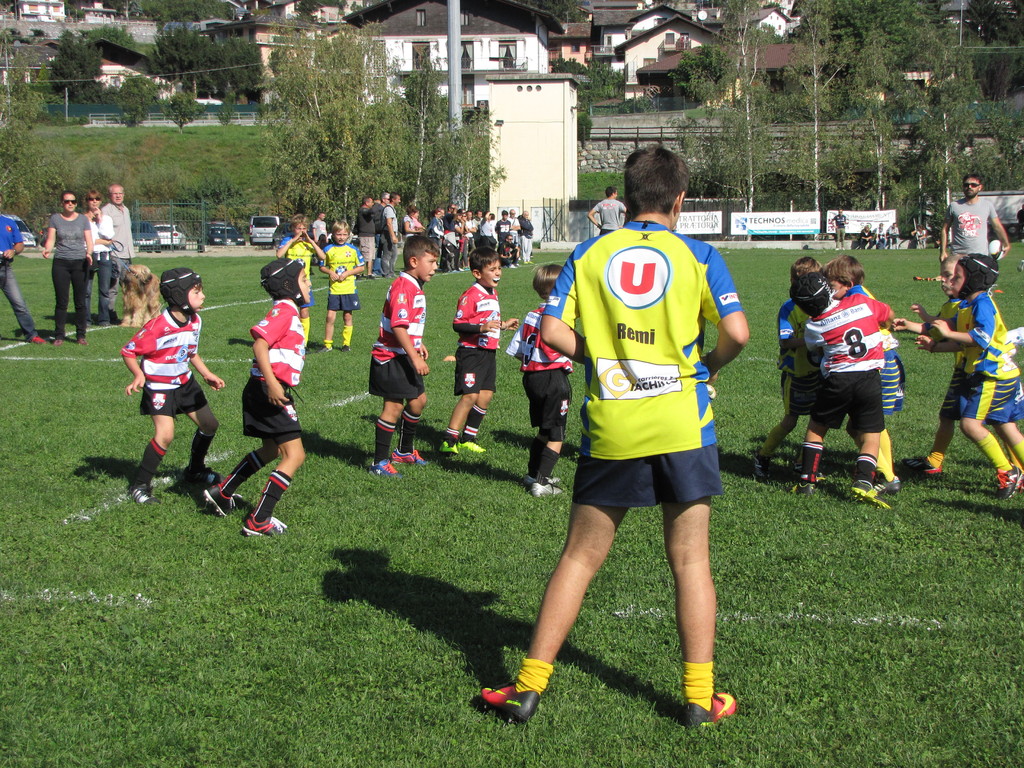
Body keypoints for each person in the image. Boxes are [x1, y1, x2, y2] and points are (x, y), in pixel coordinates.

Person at [480, 145, 748, 728]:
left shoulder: (588, 252)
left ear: (624, 200)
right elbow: (738, 332)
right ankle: (699, 699)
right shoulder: (700, 254)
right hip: (683, 422)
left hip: (613, 424)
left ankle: (528, 688)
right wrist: (706, 366)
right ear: (680, 200)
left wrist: (601, 357)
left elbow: (552, 330)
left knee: (579, 558)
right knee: (690, 561)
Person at [203, 259, 311, 535]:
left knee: (271, 450)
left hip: (261, 387)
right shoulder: (284, 311)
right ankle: (259, 519)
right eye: (304, 279)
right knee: (295, 455)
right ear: (288, 285)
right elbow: (260, 344)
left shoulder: (288, 310)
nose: (309, 283)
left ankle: (222, 493)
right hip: (268, 389)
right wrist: (273, 384)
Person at [894, 257, 1021, 484]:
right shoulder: (967, 305)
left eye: (956, 277)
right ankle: (1011, 471)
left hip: (992, 374)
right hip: (982, 372)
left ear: (973, 279)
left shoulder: (982, 304)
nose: (949, 281)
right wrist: (919, 332)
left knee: (976, 425)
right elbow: (948, 329)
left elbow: (981, 338)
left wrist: (946, 335)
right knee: (1001, 423)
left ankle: (1009, 472)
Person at [789, 271, 893, 508]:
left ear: (803, 308)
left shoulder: (814, 324)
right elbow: (888, 314)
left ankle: (807, 481)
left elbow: (815, 348)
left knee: (816, 429)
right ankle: (864, 482)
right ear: (830, 290)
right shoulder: (861, 302)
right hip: (869, 377)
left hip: (837, 380)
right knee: (871, 435)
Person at [121, 268, 225, 505]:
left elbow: (191, 351)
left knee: (209, 424)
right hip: (159, 387)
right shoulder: (157, 327)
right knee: (165, 435)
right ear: (179, 295)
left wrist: (207, 374)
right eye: (196, 292)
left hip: (185, 383)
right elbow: (128, 351)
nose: (203, 296)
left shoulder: (195, 320)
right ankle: (140, 486)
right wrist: (138, 374)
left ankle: (195, 471)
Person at [824, 255, 903, 495]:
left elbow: (887, 315)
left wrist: (882, 332)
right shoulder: (854, 294)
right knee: (856, 427)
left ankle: (888, 475)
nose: (828, 290)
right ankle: (882, 471)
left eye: (830, 285)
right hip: (871, 361)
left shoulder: (859, 297)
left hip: (878, 362)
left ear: (845, 282)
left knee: (873, 426)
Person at [368, 235, 439, 477]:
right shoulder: (403, 287)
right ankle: (379, 462)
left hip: (405, 353)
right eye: (431, 262)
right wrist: (415, 357)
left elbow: (407, 324)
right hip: (391, 356)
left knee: (418, 401)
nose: (435, 267)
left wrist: (418, 343)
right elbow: (398, 326)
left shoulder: (413, 286)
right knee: (393, 407)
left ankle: (404, 451)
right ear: (413, 261)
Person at [440, 247, 520, 456]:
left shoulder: (492, 292)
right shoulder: (471, 295)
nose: (498, 273)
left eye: (499, 268)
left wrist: (503, 325)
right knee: (470, 396)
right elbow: (458, 324)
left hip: (488, 352)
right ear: (477, 273)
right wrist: (481, 328)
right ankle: (449, 439)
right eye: (492, 269)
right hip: (471, 353)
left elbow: (488, 320)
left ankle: (468, 438)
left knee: (485, 396)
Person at [753, 257, 823, 480]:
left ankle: (803, 462)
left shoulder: (824, 303)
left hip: (820, 372)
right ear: (793, 281)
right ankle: (763, 456)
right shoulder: (789, 308)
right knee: (790, 421)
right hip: (796, 374)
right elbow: (785, 341)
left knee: (818, 422)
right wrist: (812, 341)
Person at [505, 263, 572, 496]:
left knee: (544, 429)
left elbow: (516, 350)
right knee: (557, 434)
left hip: (531, 378)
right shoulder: (558, 317)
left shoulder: (530, 315)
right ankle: (542, 483)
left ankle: (534, 474)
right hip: (553, 377)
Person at [42, 190, 94, 346]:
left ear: (76, 203)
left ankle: (81, 335)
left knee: (80, 301)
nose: (70, 204)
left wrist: (89, 253)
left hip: (80, 263)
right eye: (67, 201)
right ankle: (59, 335)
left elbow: (89, 240)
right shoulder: (55, 219)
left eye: (73, 201)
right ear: (62, 203)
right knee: (61, 301)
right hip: (61, 263)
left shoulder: (83, 219)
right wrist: (47, 249)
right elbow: (51, 239)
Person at [0, 195, 46, 345]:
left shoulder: (9, 222)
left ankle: (31, 334)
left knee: (19, 303)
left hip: (5, 268)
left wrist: (13, 251)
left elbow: (19, 244)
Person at [276, 213, 327, 342]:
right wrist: (293, 241)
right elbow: (279, 255)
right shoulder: (288, 240)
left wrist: (311, 241)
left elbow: (322, 256)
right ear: (293, 229)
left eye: (304, 228)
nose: (301, 231)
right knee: (289, 311)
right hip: (289, 282)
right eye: (298, 228)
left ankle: (303, 341)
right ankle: (288, 338)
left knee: (304, 311)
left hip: (304, 282)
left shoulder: (308, 243)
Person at [941, 174, 1010, 264]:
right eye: (966, 185)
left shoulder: (987, 205)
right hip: (958, 256)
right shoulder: (954, 206)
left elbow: (997, 226)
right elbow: (944, 229)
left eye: (973, 185)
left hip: (981, 256)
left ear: (980, 187)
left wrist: (1006, 244)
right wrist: (943, 251)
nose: (969, 187)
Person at [318, 221, 364, 352]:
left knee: (347, 316)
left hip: (349, 289)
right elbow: (321, 266)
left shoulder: (353, 250)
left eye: (344, 234)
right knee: (330, 317)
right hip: (334, 289)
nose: (341, 237)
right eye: (338, 234)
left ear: (348, 235)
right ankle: (327, 345)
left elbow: (361, 267)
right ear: (333, 234)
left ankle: (346, 344)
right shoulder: (328, 249)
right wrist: (330, 272)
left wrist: (348, 273)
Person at [101, 183, 135, 324]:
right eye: (115, 193)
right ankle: (109, 314)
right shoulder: (106, 211)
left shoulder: (126, 210)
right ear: (110, 195)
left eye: (120, 193)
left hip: (127, 254)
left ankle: (130, 314)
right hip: (114, 254)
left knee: (129, 287)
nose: (118, 196)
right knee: (112, 287)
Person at [83, 189, 117, 326]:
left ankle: (104, 318)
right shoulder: (82, 219)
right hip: (89, 255)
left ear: (101, 201)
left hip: (104, 256)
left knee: (104, 290)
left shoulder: (106, 219)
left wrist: (99, 219)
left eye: (97, 199)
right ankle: (85, 319)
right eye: (91, 199)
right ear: (87, 202)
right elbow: (85, 240)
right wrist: (102, 241)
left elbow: (109, 236)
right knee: (86, 291)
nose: (94, 202)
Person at [356, 196, 377, 279]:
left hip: (370, 236)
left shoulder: (367, 211)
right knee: (364, 255)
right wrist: (377, 205)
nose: (372, 204)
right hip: (365, 236)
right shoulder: (362, 210)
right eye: (371, 202)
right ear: (366, 203)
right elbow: (369, 212)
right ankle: (358, 273)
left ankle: (369, 273)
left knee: (370, 255)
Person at [379, 193, 400, 279]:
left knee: (394, 254)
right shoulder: (388, 209)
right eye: (398, 199)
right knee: (387, 254)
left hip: (391, 233)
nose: (399, 201)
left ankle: (391, 272)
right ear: (393, 199)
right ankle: (386, 272)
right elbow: (389, 223)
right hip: (387, 233)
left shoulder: (392, 209)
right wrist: (393, 236)